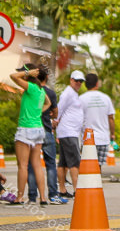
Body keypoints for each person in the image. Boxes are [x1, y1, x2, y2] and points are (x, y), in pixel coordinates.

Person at [8, 64, 50, 205]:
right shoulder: (41, 91)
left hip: (25, 129)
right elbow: (48, 103)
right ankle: (43, 198)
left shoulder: (31, 88)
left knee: (23, 165)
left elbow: (13, 76)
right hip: (38, 129)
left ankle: (20, 197)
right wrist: (37, 112)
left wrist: (27, 73)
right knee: (37, 165)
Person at [25, 65, 66, 205]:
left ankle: (31, 196)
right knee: (50, 164)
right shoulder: (50, 93)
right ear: (46, 77)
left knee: (31, 164)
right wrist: (51, 117)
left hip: (32, 129)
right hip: (47, 130)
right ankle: (53, 195)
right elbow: (55, 112)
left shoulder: (31, 90)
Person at [55, 70, 85, 198]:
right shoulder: (67, 93)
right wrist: (55, 124)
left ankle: (62, 189)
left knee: (63, 163)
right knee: (74, 162)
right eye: (76, 80)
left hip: (68, 132)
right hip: (68, 132)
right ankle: (77, 189)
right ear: (71, 80)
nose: (78, 83)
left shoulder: (73, 94)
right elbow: (59, 109)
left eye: (80, 81)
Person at [80, 73, 116, 167]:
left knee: (88, 167)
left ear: (85, 84)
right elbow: (111, 118)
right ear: (97, 84)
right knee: (97, 167)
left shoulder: (81, 99)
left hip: (87, 139)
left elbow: (78, 119)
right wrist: (112, 134)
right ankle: (97, 182)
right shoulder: (106, 98)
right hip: (103, 139)